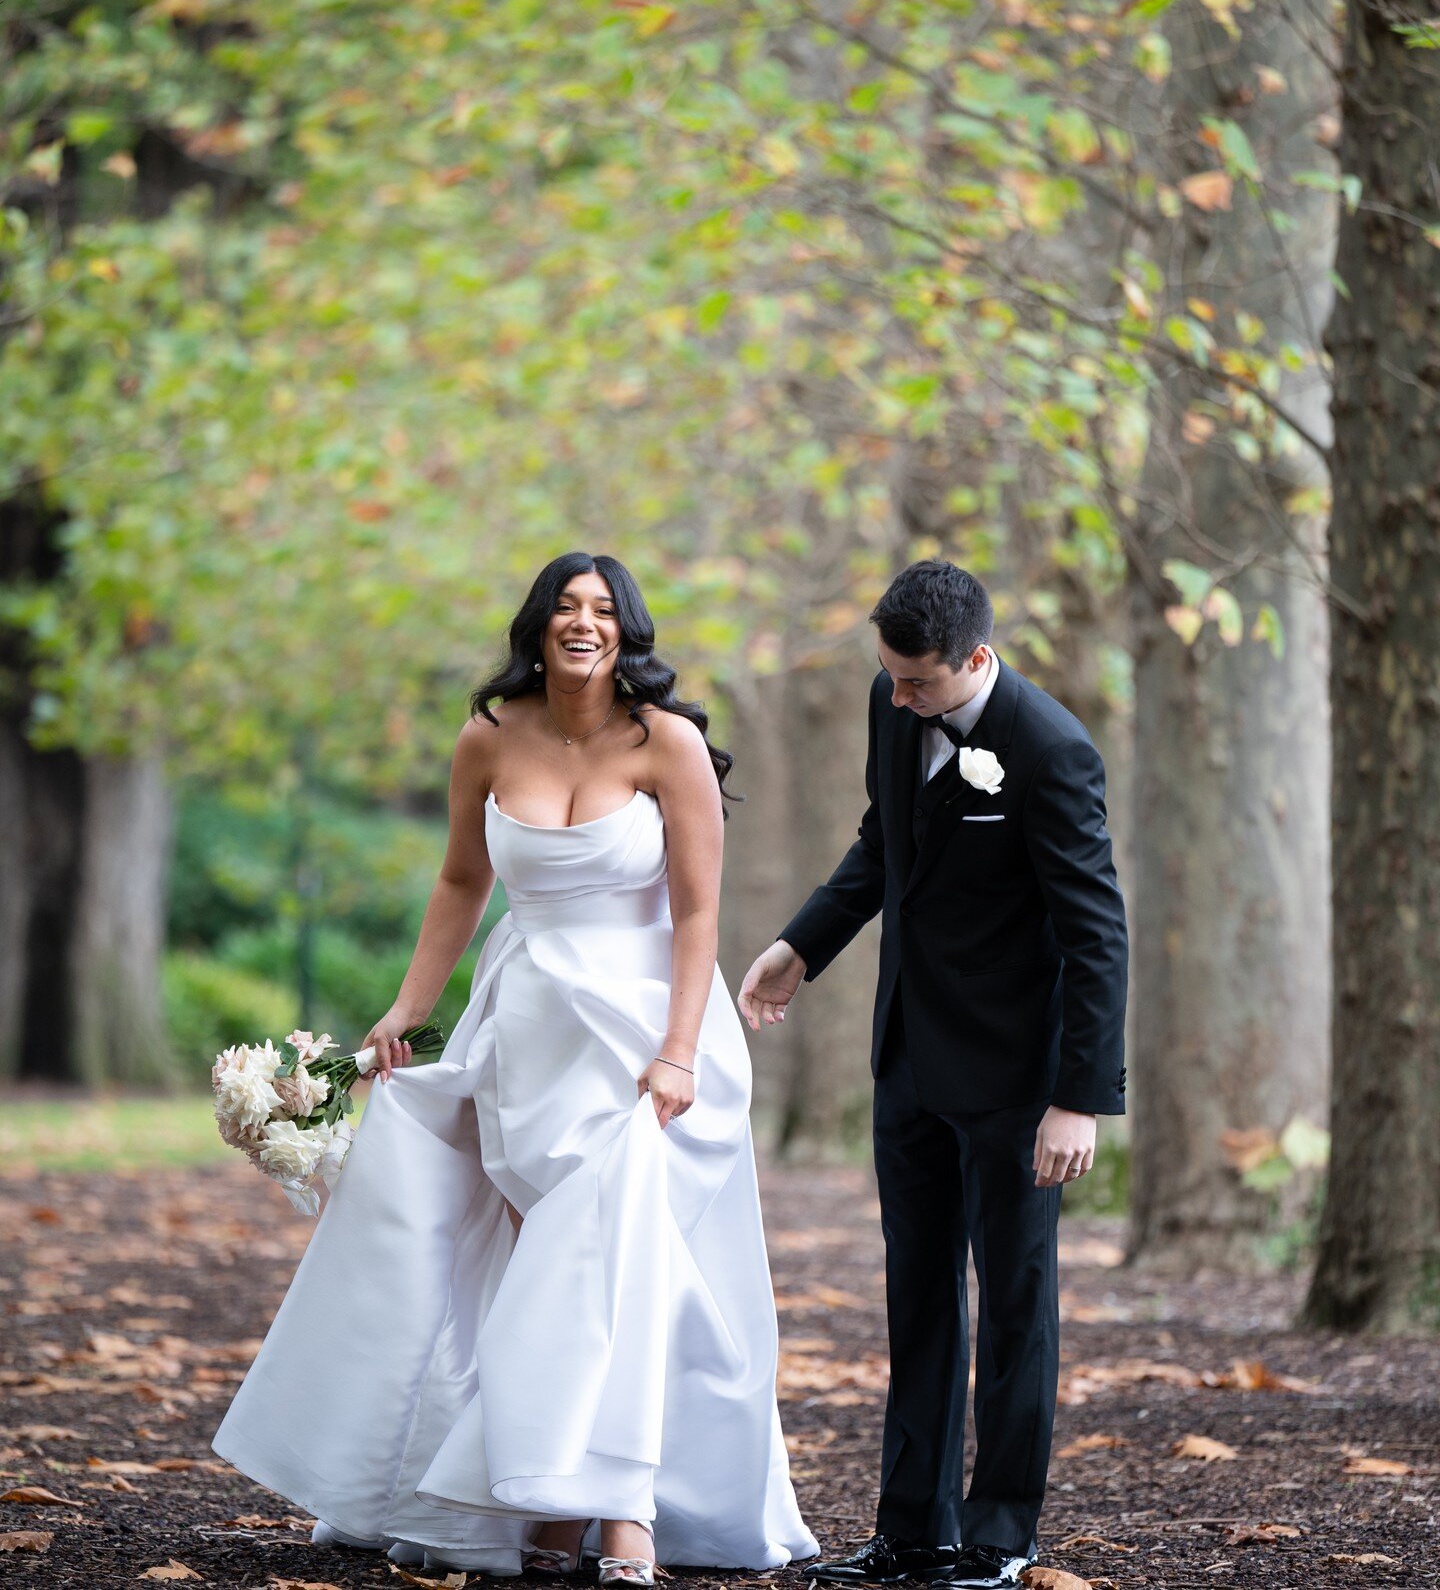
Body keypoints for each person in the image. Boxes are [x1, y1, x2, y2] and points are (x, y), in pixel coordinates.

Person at [213, 551, 816, 1585]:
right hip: (530, 1028)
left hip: (649, 1036)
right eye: (566, 609)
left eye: (603, 611)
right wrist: (407, 1011)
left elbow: (699, 913)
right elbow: (459, 878)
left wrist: (678, 1052)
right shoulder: (489, 737)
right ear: (539, 626)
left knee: (616, 1245)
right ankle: (547, 1498)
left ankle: (618, 1510)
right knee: (554, 1265)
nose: (583, 624)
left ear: (627, 631)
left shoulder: (665, 742)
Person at [740, 559, 1128, 1590]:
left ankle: (1000, 1541)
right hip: (908, 1054)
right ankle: (913, 1530)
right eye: (894, 681)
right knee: (915, 1297)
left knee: (1012, 1305)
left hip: (1015, 1078)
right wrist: (802, 946)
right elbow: (887, 842)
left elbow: (1097, 934)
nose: (903, 700)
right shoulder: (890, 698)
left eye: (922, 686)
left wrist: (1079, 1098)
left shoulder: (1052, 749)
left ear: (979, 660)